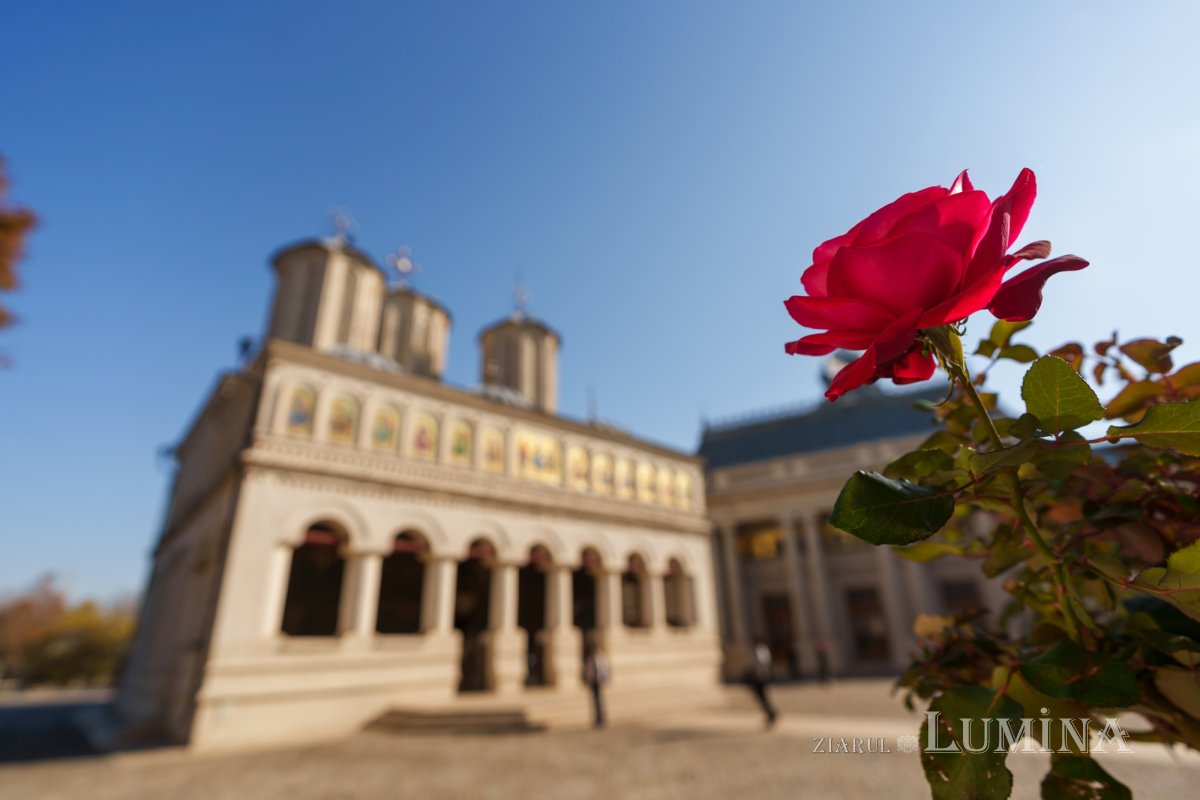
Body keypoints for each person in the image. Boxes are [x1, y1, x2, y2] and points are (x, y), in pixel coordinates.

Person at [746, 641, 778, 728]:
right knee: (762, 697)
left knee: (762, 696)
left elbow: (760, 664)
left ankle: (771, 713)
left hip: (760, 677)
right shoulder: (763, 650)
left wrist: (755, 673)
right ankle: (770, 713)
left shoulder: (760, 651)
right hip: (762, 676)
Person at [583, 645, 611, 729]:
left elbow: (604, 669)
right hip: (593, 682)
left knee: (599, 701)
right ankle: (597, 718)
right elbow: (589, 670)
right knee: (595, 701)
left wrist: (604, 679)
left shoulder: (600, 657)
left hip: (598, 681)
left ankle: (601, 719)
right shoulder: (590, 658)